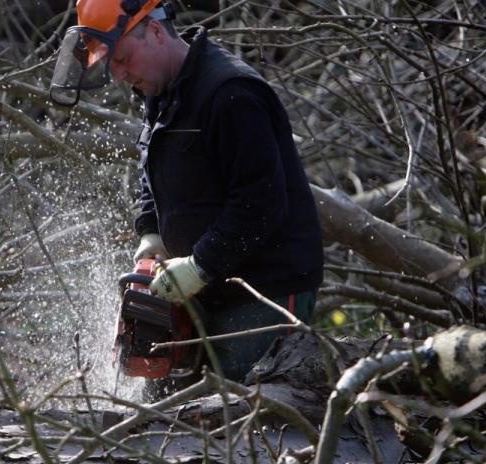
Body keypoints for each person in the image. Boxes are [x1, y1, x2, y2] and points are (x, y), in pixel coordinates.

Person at [51, 0, 323, 383]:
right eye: (111, 66)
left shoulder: (231, 94)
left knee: (236, 414)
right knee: (166, 408)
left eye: (124, 59)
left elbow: (260, 202)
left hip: (263, 292)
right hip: (201, 290)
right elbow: (155, 167)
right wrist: (151, 233)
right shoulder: (162, 90)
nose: (120, 75)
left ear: (157, 32)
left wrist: (200, 266)